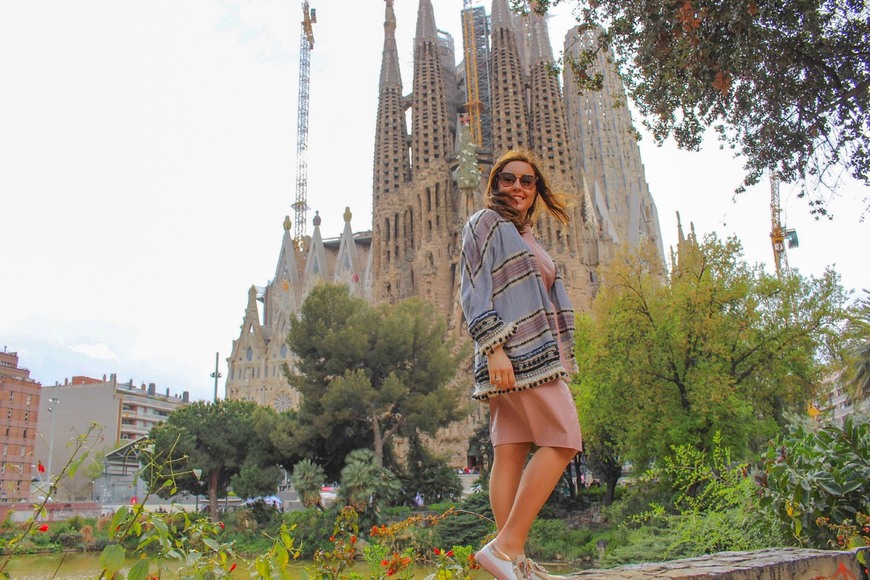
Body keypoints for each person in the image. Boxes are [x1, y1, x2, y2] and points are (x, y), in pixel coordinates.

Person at [460, 149, 582, 580]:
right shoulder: (484, 223)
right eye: (508, 179)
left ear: (536, 190)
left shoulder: (527, 234)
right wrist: (493, 347)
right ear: (495, 184)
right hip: (515, 355)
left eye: (526, 181)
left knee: (510, 451)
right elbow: (473, 289)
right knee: (565, 438)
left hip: (535, 354)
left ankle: (511, 560)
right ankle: (506, 545)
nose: (517, 187)